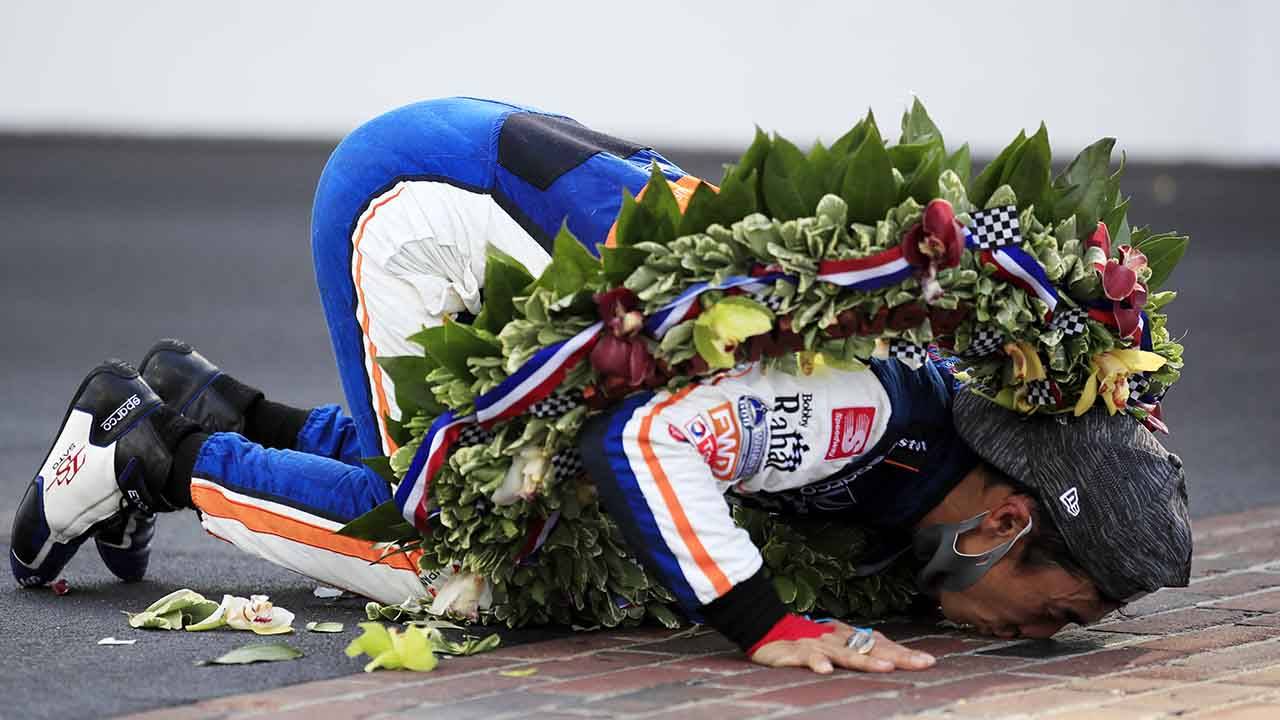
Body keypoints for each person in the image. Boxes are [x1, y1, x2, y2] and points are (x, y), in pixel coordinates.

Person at [9, 97, 1193, 675]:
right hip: (429, 200)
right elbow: (638, 442)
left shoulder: (921, 442)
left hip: (489, 189)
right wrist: (760, 624)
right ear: (1000, 518)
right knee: (454, 559)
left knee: (501, 476)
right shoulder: (863, 412)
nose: (1043, 638)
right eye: (1062, 612)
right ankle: (143, 450)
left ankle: (218, 408)